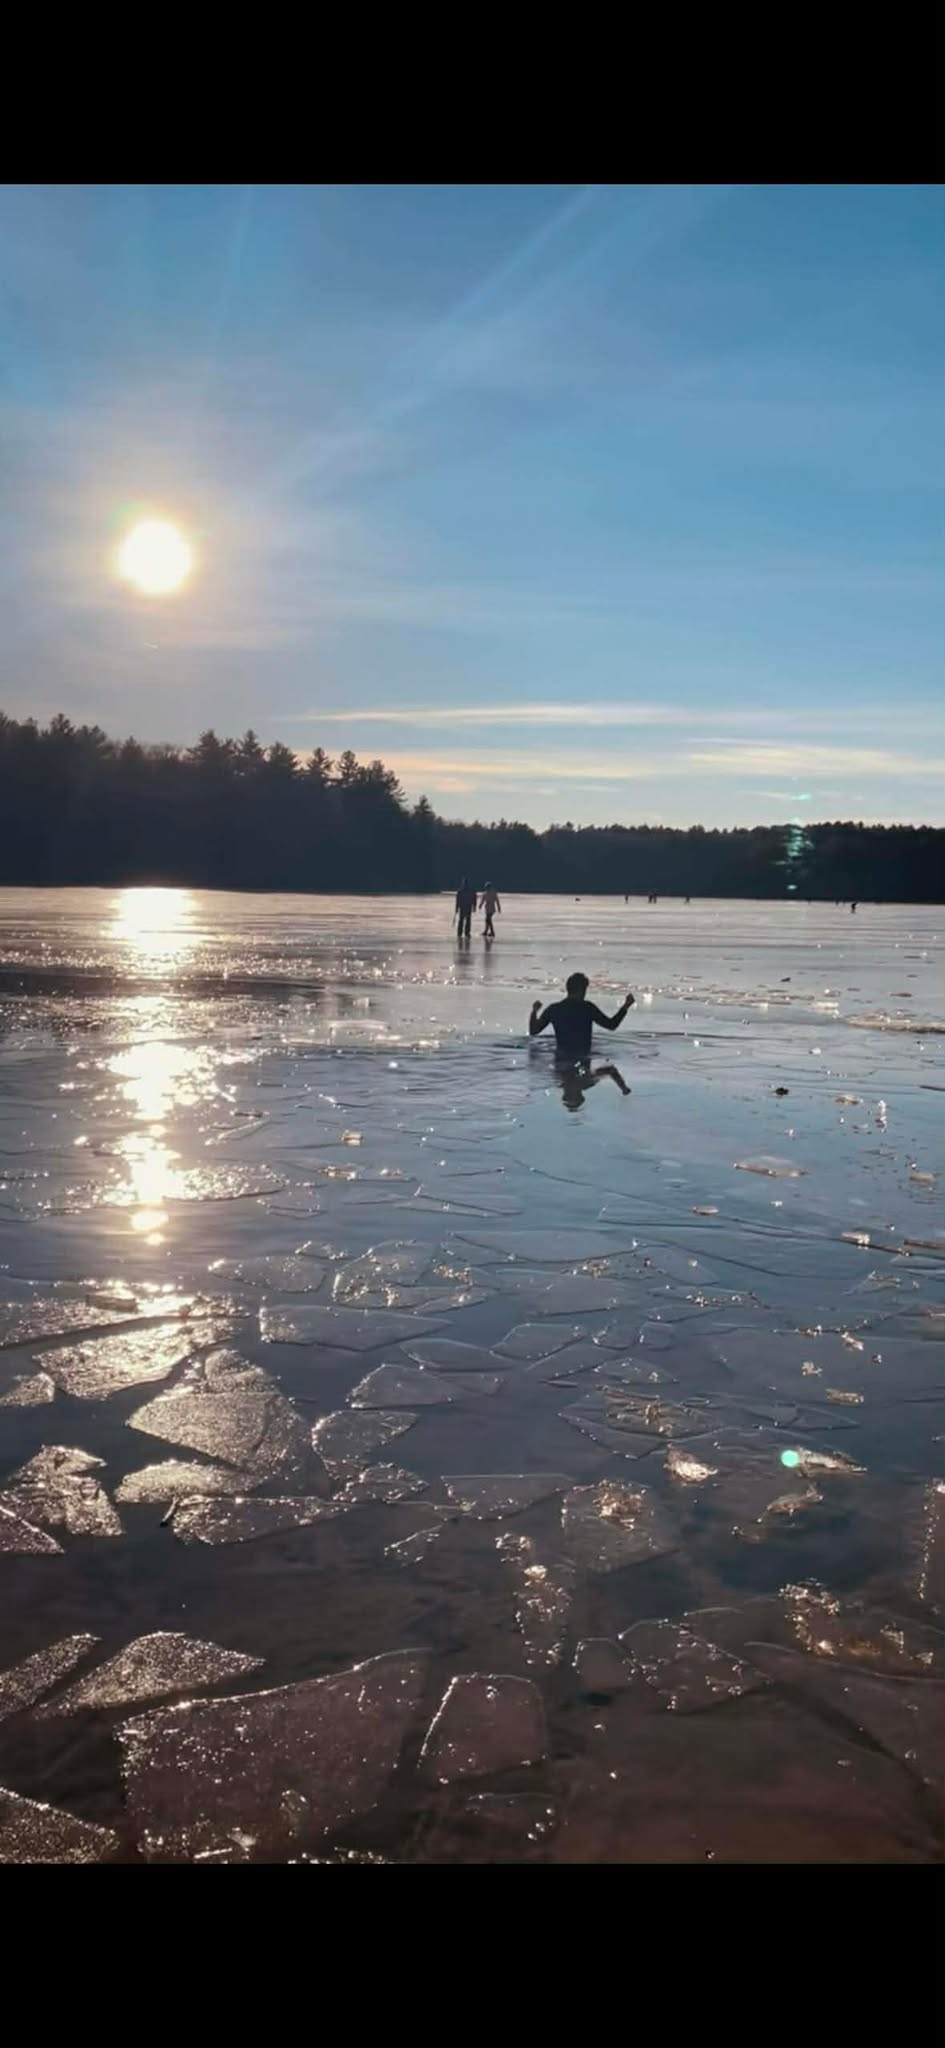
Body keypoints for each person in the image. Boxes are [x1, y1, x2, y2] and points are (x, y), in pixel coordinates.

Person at [529, 971, 634, 1057]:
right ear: (582, 990)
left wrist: (534, 1011)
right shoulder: (587, 1008)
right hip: (583, 1057)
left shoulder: (554, 1009)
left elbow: (533, 1031)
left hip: (562, 1058)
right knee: (604, 1072)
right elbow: (612, 1025)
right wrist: (626, 1006)